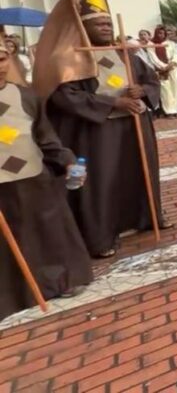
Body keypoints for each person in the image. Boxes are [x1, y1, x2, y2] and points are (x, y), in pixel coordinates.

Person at [35, 0, 171, 258]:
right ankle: (100, 234)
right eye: (99, 23)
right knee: (102, 179)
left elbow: (151, 80)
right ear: (81, 26)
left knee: (138, 172)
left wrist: (142, 91)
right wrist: (113, 102)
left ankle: (146, 217)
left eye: (109, 22)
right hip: (97, 131)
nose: (107, 28)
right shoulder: (67, 58)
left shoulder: (124, 52)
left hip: (134, 124)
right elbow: (64, 97)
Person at [0, 45, 93, 320]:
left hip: (33, 178)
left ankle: (56, 282)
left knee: (47, 233)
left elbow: (46, 138)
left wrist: (68, 161)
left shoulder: (26, 96)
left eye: (2, 58)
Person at [145, 25, 177, 118]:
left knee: (176, 89)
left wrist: (173, 63)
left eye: (163, 33)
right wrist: (164, 67)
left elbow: (176, 54)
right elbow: (153, 57)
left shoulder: (170, 43)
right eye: (159, 33)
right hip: (162, 70)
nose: (161, 35)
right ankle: (169, 111)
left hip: (173, 68)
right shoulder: (151, 44)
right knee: (166, 91)